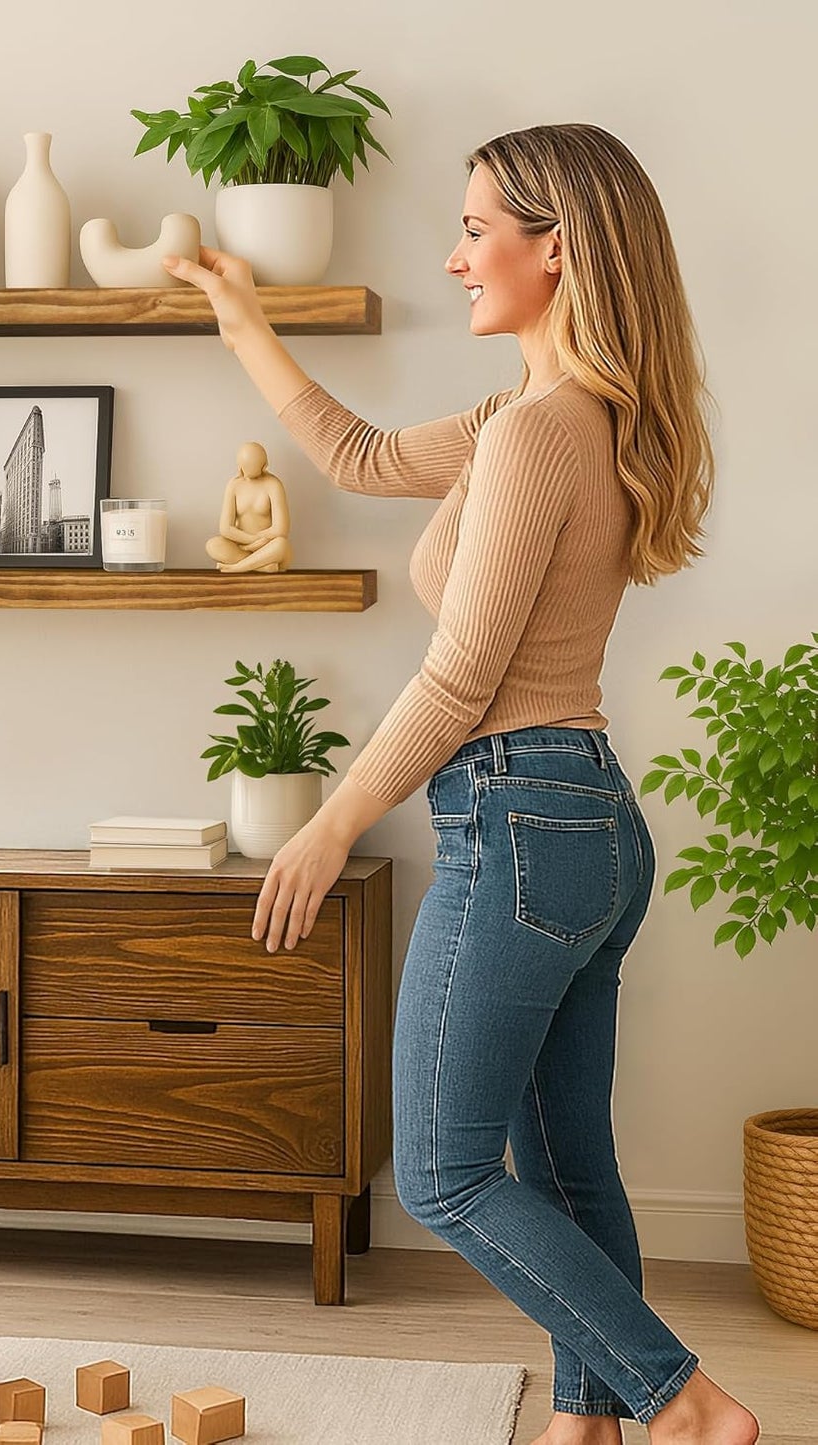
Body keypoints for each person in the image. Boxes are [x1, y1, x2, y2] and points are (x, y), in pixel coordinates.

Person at [164, 124, 759, 1445]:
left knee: (438, 1172)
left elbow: (456, 678)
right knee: (566, 1163)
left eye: (477, 228)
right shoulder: (546, 419)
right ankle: (587, 1419)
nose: (453, 256)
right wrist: (240, 313)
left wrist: (330, 821)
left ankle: (682, 1402)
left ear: (557, 247)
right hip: (587, 818)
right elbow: (363, 457)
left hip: (516, 814)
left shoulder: (541, 431)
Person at [205, 440, 293, 572]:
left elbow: (281, 529)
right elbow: (225, 528)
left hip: (268, 545)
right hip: (242, 547)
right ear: (239, 466)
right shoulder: (234, 485)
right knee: (212, 545)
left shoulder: (273, 484)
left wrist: (258, 543)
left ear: (264, 465)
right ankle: (262, 567)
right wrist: (251, 541)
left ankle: (237, 567)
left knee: (281, 544)